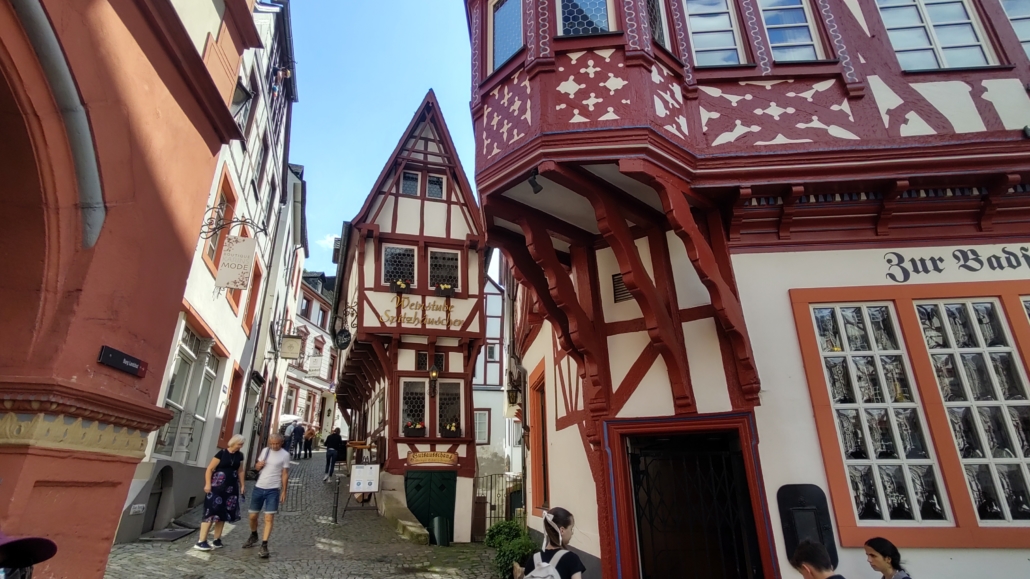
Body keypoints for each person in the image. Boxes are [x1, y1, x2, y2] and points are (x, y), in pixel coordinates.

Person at [194, 434, 246, 551]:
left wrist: (242, 485)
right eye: (239, 444)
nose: (240, 446)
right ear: (233, 443)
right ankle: (201, 540)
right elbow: (210, 469)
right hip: (217, 487)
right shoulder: (221, 453)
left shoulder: (240, 456)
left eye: (242, 444)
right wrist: (208, 484)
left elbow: (240, 471)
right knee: (211, 511)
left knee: (224, 512)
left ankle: (217, 539)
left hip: (231, 488)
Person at [243, 433, 290, 559]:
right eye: (272, 443)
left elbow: (285, 474)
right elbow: (258, 466)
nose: (274, 446)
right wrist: (258, 465)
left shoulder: (285, 455)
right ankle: (254, 534)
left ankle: (264, 545)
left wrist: (284, 491)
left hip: (273, 490)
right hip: (259, 487)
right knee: (253, 516)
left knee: (268, 518)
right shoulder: (265, 451)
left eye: (276, 443)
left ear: (281, 443)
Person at [518, 507, 585, 579]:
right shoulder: (572, 559)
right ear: (562, 530)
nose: (572, 533)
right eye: (571, 528)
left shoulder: (533, 560)